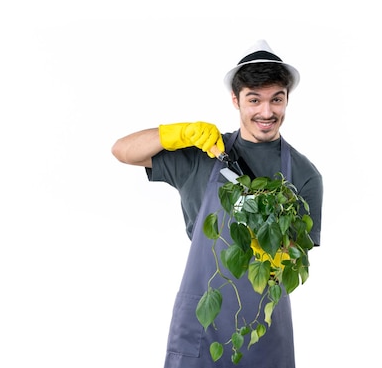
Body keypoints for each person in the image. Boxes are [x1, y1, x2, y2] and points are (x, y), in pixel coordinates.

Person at [111, 39, 323, 368]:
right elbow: (123, 151)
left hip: (262, 331)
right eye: (254, 100)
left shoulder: (305, 175)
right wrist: (177, 133)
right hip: (202, 325)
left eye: (276, 100)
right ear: (236, 100)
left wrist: (269, 244)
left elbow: (297, 257)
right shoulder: (206, 154)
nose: (266, 112)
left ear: (286, 101)